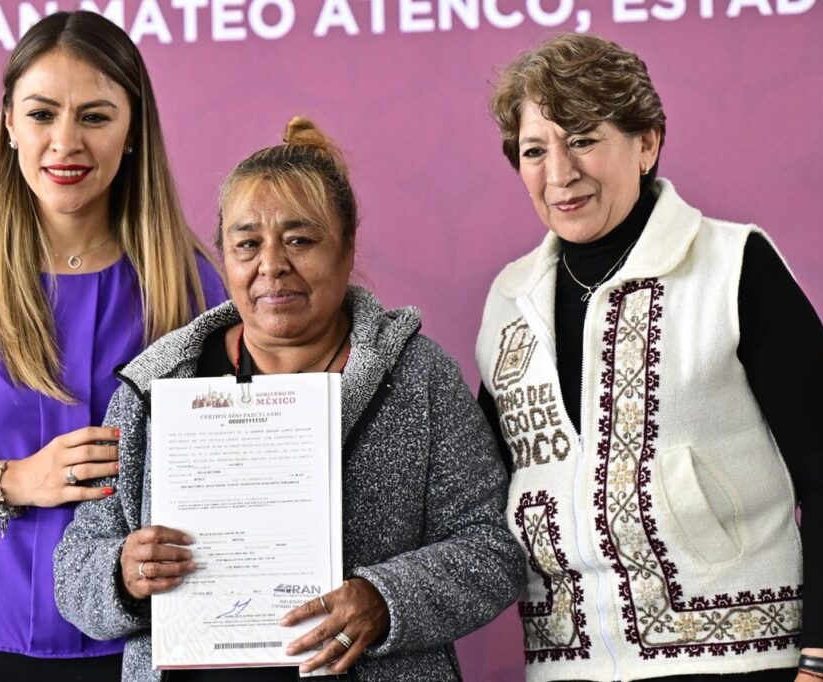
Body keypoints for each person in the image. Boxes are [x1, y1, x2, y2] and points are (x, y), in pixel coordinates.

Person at [54, 116, 526, 682]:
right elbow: (75, 568)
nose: (271, 265)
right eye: (247, 244)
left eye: (300, 240)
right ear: (224, 257)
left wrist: (386, 599)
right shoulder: (156, 388)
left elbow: (492, 550)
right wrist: (123, 574)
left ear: (348, 247)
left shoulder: (419, 377)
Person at [0, 11, 227, 681]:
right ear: (9, 122)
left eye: (95, 116)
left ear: (134, 127)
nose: (64, 142)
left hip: (128, 650)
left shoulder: (192, 286)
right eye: (42, 113)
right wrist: (16, 479)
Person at [475, 33, 823, 682]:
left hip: (746, 665)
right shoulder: (510, 301)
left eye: (584, 139)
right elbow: (480, 490)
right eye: (535, 150)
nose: (559, 172)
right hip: (568, 669)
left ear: (646, 142)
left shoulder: (735, 266)